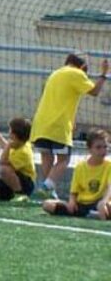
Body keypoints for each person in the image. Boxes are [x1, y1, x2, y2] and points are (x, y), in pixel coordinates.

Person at [30, 54, 109, 200]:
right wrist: (103, 74)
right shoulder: (76, 73)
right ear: (83, 67)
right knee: (64, 159)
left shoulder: (56, 73)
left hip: (40, 123)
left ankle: (49, 192)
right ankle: (47, 186)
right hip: (58, 125)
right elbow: (94, 91)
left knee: (46, 156)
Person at [41, 129, 110, 220]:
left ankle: (97, 213)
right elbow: (74, 191)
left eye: (105, 147)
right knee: (47, 204)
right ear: (89, 149)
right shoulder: (80, 167)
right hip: (81, 204)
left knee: (107, 206)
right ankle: (92, 214)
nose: (103, 151)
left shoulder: (109, 166)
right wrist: (72, 202)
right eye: (98, 147)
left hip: (100, 203)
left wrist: (104, 201)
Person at [0, 118, 35, 202]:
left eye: (10, 130)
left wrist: (8, 145)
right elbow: (5, 147)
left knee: (4, 169)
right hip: (10, 181)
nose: (9, 132)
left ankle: (21, 194)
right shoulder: (18, 144)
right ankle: (7, 196)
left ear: (14, 135)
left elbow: (3, 162)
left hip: (25, 184)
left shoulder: (24, 152)